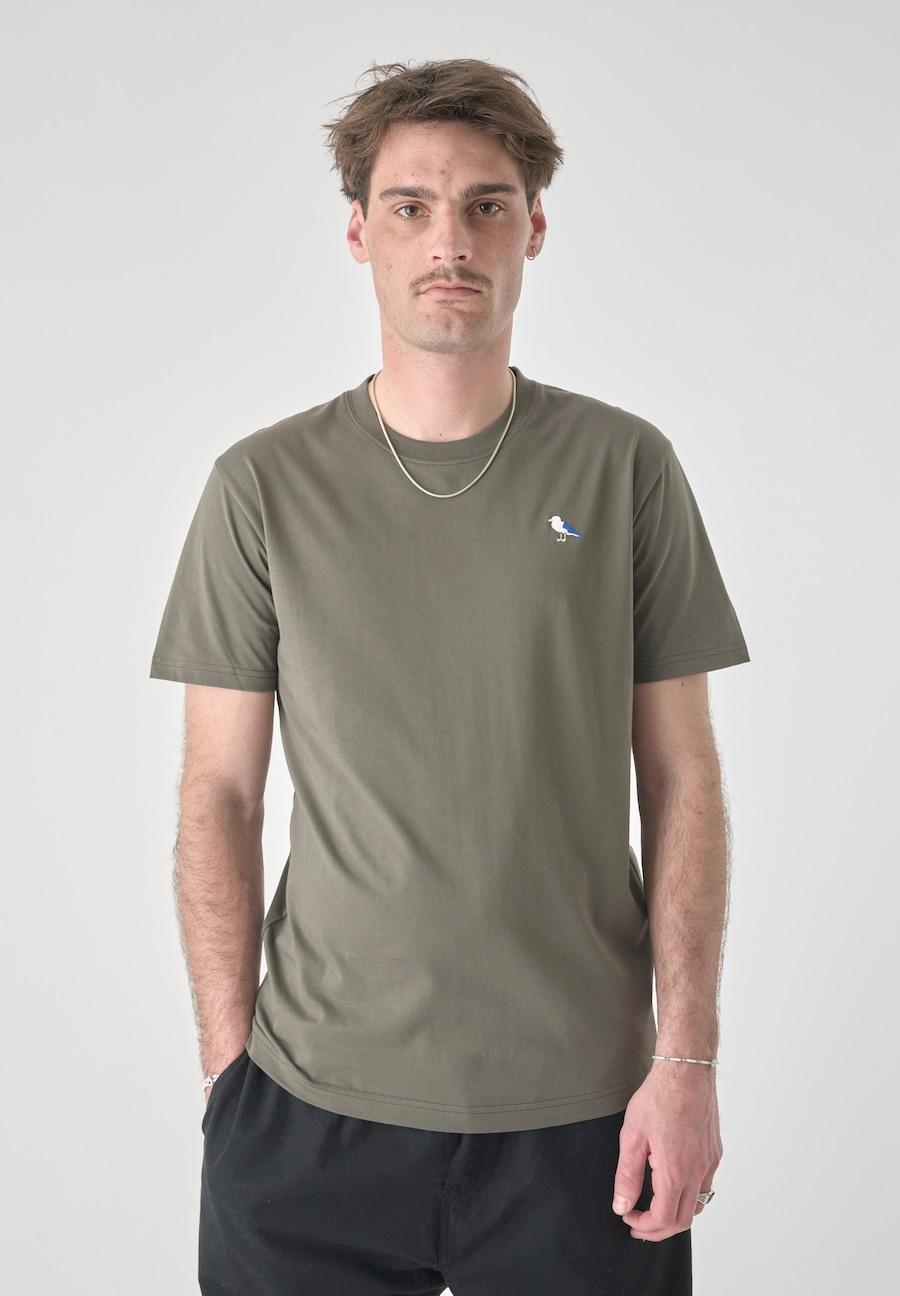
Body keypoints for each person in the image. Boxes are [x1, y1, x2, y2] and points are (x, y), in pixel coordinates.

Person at [149, 56, 750, 1296]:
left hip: (586, 1115)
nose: (450, 240)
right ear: (358, 232)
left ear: (534, 229)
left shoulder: (624, 468)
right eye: (411, 206)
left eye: (487, 204)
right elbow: (219, 793)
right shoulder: (261, 487)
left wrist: (686, 1061)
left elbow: (683, 776)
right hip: (306, 1113)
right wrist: (228, 1076)